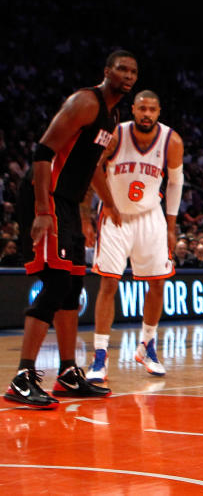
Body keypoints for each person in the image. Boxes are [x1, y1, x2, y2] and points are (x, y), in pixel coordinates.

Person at [4, 49, 133, 408]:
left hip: (69, 203)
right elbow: (43, 152)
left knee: (73, 285)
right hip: (45, 195)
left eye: (133, 71)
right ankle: (22, 376)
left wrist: (103, 206)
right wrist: (44, 211)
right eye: (121, 68)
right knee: (57, 281)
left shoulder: (112, 117)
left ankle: (66, 372)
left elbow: (91, 166)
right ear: (107, 71)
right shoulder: (85, 102)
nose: (127, 74)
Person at [87, 90, 184, 382]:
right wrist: (107, 204)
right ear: (133, 110)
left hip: (151, 216)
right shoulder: (115, 134)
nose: (146, 114)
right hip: (116, 217)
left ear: (159, 112)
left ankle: (147, 345)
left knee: (157, 284)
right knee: (108, 283)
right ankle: (100, 357)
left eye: (152, 109)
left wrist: (170, 226)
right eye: (142, 108)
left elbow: (175, 184)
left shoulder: (172, 140)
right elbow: (92, 166)